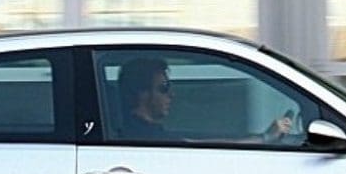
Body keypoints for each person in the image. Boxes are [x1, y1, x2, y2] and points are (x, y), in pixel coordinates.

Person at [116, 57, 292, 143]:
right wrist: (265, 137)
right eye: (164, 87)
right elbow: (201, 147)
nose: (171, 95)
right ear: (141, 93)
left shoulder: (139, 131)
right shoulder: (145, 137)